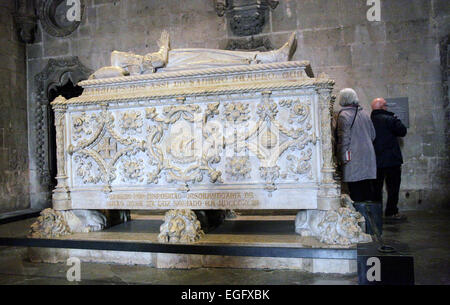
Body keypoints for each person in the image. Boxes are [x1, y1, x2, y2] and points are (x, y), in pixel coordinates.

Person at [336, 88, 377, 202]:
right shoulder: (364, 113)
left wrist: (341, 158)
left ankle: (359, 217)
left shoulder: (344, 115)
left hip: (353, 157)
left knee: (355, 190)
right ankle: (369, 217)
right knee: (367, 189)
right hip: (368, 156)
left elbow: (344, 139)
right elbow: (373, 135)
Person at [371, 98, 408, 220]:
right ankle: (391, 211)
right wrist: (395, 118)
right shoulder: (390, 119)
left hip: (375, 160)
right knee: (393, 188)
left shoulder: (369, 120)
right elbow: (402, 131)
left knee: (376, 189)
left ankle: (376, 213)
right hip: (392, 160)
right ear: (383, 107)